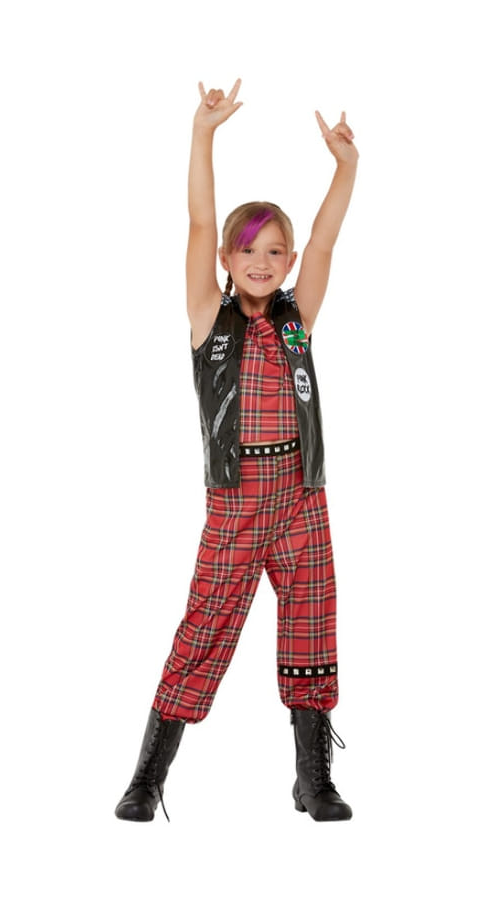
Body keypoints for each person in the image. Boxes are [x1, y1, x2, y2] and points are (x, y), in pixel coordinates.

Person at [114, 79, 358, 822]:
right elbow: (197, 219)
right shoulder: (207, 319)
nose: (263, 260)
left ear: (288, 262)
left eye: (275, 251)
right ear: (226, 256)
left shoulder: (296, 319)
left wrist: (345, 166)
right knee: (207, 623)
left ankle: (312, 778)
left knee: (312, 621)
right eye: (248, 249)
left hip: (301, 496)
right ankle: (148, 778)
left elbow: (326, 240)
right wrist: (203, 133)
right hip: (237, 498)